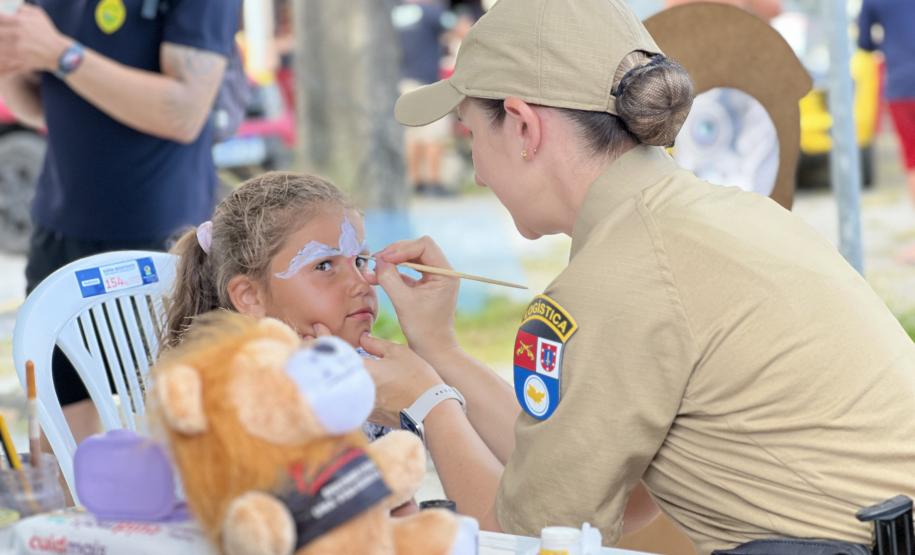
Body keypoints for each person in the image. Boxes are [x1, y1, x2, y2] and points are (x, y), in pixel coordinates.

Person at [348, 0, 915, 553]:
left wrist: (425, 401)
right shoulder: (707, 217)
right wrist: (440, 351)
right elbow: (606, 482)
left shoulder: (620, 277)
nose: (474, 172)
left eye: (471, 134)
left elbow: (533, 537)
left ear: (521, 125)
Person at [0, 0, 241, 443]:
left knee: (175, 435)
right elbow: (41, 108)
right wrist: (15, 62)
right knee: (61, 436)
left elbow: (183, 113)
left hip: (162, 238)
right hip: (58, 228)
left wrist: (62, 55)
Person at [857, 0, 915, 263]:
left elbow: (864, 42)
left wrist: (891, 44)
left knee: (913, 164)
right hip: (902, 85)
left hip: (903, 85)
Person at [392, 0, 454, 196]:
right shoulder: (430, 12)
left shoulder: (398, 13)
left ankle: (415, 182)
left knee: (413, 136)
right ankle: (434, 182)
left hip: (404, 81)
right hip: (428, 82)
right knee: (435, 134)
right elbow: (457, 27)